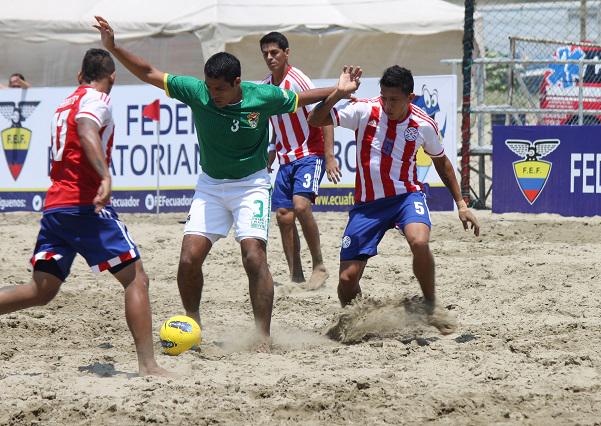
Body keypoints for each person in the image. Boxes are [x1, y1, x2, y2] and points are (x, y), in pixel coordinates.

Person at [94, 16, 356, 350]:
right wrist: (113, 46)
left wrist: (339, 90)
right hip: (210, 187)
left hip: (251, 186)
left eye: (220, 88)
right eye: (209, 86)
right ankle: (193, 323)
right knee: (189, 258)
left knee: (253, 256)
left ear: (236, 82)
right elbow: (148, 72)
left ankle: (262, 335)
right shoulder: (197, 92)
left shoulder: (262, 96)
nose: (213, 94)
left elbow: (305, 98)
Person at [0, 49, 169, 376]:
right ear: (113, 78)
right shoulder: (97, 101)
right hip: (85, 205)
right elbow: (87, 129)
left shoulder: (64, 103)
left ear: (80, 76)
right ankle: (149, 366)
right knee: (136, 279)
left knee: (41, 290)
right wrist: (105, 175)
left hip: (56, 207)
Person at [308, 65, 480, 334]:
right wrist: (338, 93)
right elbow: (315, 119)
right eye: (384, 97)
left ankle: (430, 303)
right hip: (367, 206)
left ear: (410, 98)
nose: (387, 105)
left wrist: (461, 204)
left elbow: (442, 162)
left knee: (419, 241)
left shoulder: (423, 123)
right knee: (346, 279)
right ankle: (357, 319)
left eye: (394, 99)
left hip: (406, 197)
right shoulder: (365, 110)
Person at [259, 32, 331, 290]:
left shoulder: (298, 80)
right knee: (283, 216)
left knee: (301, 207)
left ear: (286, 53)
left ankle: (319, 265)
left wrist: (330, 156)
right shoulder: (265, 86)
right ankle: (296, 275)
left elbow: (324, 113)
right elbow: (275, 124)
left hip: (310, 153)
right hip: (285, 157)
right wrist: (270, 151)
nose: (270, 57)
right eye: (266, 53)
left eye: (275, 52)